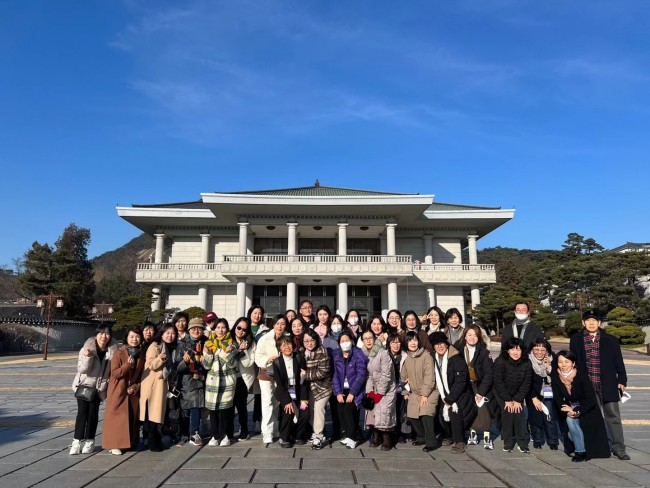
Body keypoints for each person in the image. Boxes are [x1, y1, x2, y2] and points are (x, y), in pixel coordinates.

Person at [570, 310, 629, 460]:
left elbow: (619, 362)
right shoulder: (576, 339)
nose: (591, 323)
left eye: (594, 320)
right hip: (587, 385)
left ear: (599, 323)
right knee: (592, 416)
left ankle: (619, 447)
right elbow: (573, 361)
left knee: (613, 416)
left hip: (608, 384)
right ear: (583, 323)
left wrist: (622, 380)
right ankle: (596, 446)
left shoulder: (610, 340)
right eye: (588, 320)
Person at [551, 350, 611, 462]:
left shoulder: (581, 375)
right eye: (560, 362)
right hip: (569, 408)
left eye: (567, 361)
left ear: (573, 363)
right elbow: (557, 397)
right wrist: (567, 410)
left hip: (587, 409)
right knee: (570, 423)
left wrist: (576, 410)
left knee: (572, 424)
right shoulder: (555, 376)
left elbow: (591, 399)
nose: (563, 365)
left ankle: (580, 451)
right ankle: (580, 449)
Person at [70, 324, 118, 455]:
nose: (104, 336)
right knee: (82, 414)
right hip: (84, 386)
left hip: (99, 388)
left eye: (107, 334)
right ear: (96, 335)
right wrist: (88, 357)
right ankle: (76, 442)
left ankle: (89, 441)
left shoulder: (113, 351)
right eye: (101, 333)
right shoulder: (86, 348)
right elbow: (82, 370)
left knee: (93, 415)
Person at [430, 331, 477, 454]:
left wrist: (450, 399)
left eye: (442, 343)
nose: (440, 346)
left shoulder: (456, 358)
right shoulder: (434, 358)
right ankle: (449, 435)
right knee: (440, 409)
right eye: (437, 344)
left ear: (447, 344)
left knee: (453, 410)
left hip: (461, 394)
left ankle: (459, 441)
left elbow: (461, 382)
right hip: (444, 392)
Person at [103, 326, 146, 455]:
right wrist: (127, 365)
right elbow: (115, 373)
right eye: (131, 336)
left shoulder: (141, 354)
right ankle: (114, 444)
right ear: (126, 338)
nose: (134, 339)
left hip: (131, 391)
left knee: (131, 417)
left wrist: (135, 387)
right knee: (117, 418)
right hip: (118, 389)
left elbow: (141, 376)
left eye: (137, 336)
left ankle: (129, 442)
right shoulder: (119, 353)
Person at [140, 323, 177, 452]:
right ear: (161, 334)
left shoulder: (167, 346)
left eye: (173, 333)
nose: (170, 336)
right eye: (167, 333)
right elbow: (151, 365)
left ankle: (155, 440)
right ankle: (152, 442)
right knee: (153, 414)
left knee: (157, 414)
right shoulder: (155, 346)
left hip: (161, 384)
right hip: (153, 385)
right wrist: (160, 359)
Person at [457, 325, 494, 450]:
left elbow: (489, 374)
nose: (472, 338)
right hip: (465, 385)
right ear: (465, 336)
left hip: (480, 385)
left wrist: (481, 392)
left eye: (475, 335)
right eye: (469, 335)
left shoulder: (484, 352)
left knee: (483, 410)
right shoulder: (459, 350)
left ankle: (487, 435)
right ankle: (472, 432)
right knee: (469, 409)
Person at [401, 331, 439, 452]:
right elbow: (403, 377)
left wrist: (425, 394)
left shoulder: (426, 356)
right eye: (410, 340)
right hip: (414, 392)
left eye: (415, 340)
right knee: (411, 415)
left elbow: (430, 377)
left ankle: (431, 441)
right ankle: (422, 437)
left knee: (426, 413)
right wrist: (405, 392)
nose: (413, 343)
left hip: (430, 391)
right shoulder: (406, 358)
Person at [493, 337, 532, 453]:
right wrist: (507, 399)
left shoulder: (527, 362)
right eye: (512, 349)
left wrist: (518, 399)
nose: (515, 352)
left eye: (518, 349)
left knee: (519, 412)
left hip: (517, 393)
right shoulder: (500, 361)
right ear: (507, 350)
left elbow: (527, 382)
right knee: (508, 411)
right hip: (502, 392)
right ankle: (508, 441)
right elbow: (498, 382)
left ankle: (522, 442)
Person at [203, 318, 238, 447]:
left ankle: (225, 435)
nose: (220, 330)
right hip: (212, 382)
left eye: (223, 327)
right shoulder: (208, 343)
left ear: (227, 329)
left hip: (227, 382)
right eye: (218, 327)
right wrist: (208, 355)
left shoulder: (232, 344)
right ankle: (214, 435)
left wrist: (226, 353)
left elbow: (233, 364)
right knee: (213, 411)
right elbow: (206, 366)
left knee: (225, 411)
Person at [332, 330, 368, 449]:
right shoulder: (336, 355)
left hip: (355, 389)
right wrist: (338, 392)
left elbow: (361, 374)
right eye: (342, 341)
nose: (345, 343)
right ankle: (348, 434)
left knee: (349, 410)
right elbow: (335, 375)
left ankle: (353, 437)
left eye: (347, 340)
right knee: (341, 411)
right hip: (342, 389)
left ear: (352, 341)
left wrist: (353, 393)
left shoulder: (358, 354)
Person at [361, 330, 396, 451]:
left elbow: (387, 375)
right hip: (374, 387)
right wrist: (370, 391)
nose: (368, 341)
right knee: (373, 411)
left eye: (370, 338)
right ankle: (376, 435)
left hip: (387, 387)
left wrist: (380, 392)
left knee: (385, 411)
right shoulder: (365, 354)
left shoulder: (383, 353)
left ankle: (386, 437)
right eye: (365, 339)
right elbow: (369, 375)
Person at [255, 314, 287, 443]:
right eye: (277, 323)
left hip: (281, 374)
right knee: (267, 401)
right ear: (273, 324)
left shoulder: (287, 338)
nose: (280, 326)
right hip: (266, 373)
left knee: (277, 402)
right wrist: (268, 360)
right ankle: (267, 432)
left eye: (283, 324)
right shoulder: (265, 338)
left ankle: (275, 428)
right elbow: (258, 356)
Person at [273, 336, 310, 447]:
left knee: (305, 413)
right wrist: (287, 401)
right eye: (283, 345)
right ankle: (284, 437)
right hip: (284, 393)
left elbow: (303, 381)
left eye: (288, 344)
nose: (287, 347)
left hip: (298, 392)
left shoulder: (299, 358)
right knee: (288, 411)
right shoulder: (277, 362)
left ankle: (298, 436)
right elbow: (280, 385)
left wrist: (304, 399)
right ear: (279, 349)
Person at [177, 318, 208, 447]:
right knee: (186, 410)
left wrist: (206, 360)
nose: (196, 331)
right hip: (186, 381)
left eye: (199, 328)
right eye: (193, 328)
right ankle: (185, 433)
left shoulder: (207, 343)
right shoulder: (181, 344)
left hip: (202, 379)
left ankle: (195, 433)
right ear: (189, 330)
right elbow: (177, 367)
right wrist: (185, 362)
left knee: (197, 406)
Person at [527, 338, 560, 450]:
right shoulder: (527, 361)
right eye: (536, 349)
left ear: (547, 350)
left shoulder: (553, 358)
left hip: (549, 391)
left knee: (549, 416)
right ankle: (537, 439)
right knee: (535, 415)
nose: (539, 352)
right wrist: (533, 397)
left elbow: (557, 378)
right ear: (532, 350)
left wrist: (548, 367)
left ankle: (553, 440)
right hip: (533, 393)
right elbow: (526, 382)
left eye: (543, 350)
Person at [302, 329, 333, 449]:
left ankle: (318, 436)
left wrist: (305, 375)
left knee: (319, 408)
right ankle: (309, 431)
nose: (309, 343)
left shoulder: (322, 351)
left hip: (323, 386)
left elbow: (322, 372)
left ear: (316, 340)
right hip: (308, 387)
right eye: (306, 341)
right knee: (307, 409)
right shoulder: (302, 352)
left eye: (312, 340)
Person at [231, 317, 256, 441]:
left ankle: (244, 430)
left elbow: (248, 363)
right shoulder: (228, 339)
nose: (241, 331)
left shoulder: (251, 343)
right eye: (239, 328)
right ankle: (229, 431)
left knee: (241, 406)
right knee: (229, 406)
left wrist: (244, 350)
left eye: (244, 329)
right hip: (229, 377)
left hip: (243, 378)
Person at [386, 331, 409, 444]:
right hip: (388, 389)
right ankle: (389, 433)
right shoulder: (384, 355)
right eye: (393, 342)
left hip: (401, 388)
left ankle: (399, 433)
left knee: (400, 411)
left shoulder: (405, 356)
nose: (396, 345)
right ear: (389, 344)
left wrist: (406, 389)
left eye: (398, 342)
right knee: (390, 411)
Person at [247, 304, 265, 433]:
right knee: (243, 394)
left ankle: (257, 420)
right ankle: (243, 423)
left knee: (259, 394)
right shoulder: (243, 327)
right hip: (246, 364)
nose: (257, 316)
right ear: (250, 314)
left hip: (259, 365)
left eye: (259, 313)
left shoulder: (265, 329)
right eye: (255, 313)